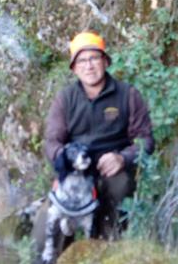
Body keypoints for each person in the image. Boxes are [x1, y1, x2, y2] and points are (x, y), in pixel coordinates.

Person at [32, 30, 154, 258]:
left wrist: (123, 158)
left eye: (94, 58)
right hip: (76, 172)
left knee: (118, 192)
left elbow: (145, 140)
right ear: (74, 68)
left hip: (111, 172)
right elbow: (52, 142)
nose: (89, 66)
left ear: (105, 61)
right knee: (45, 233)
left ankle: (106, 249)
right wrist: (63, 168)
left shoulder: (128, 95)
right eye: (82, 61)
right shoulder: (65, 98)